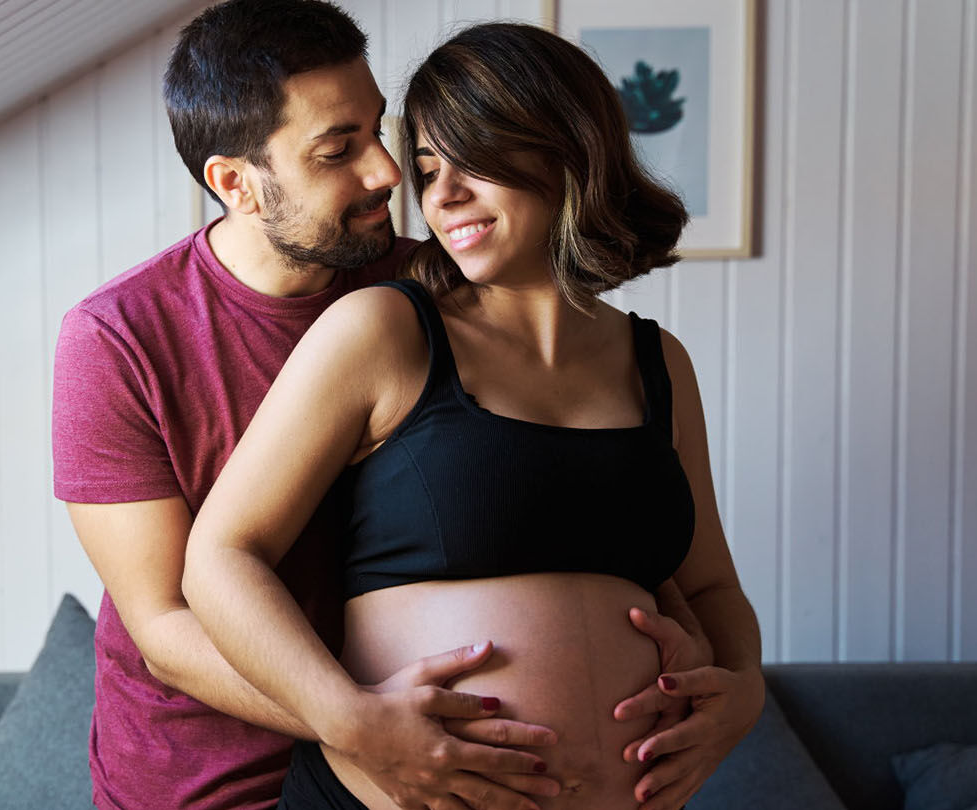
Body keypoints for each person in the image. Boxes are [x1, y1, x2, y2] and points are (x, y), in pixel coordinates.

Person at [182, 21, 766, 810]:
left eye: (475, 160)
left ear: (568, 149)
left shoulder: (659, 363)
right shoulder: (384, 332)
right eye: (428, 168)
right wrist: (348, 719)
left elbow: (713, 585)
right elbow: (220, 558)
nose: (443, 195)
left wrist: (745, 691)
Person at [54, 3, 575, 808]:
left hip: (405, 771)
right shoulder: (116, 339)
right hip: (207, 785)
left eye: (378, 131)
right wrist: (359, 722)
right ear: (235, 184)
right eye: (338, 151)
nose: (387, 172)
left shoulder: (435, 288)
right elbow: (164, 626)